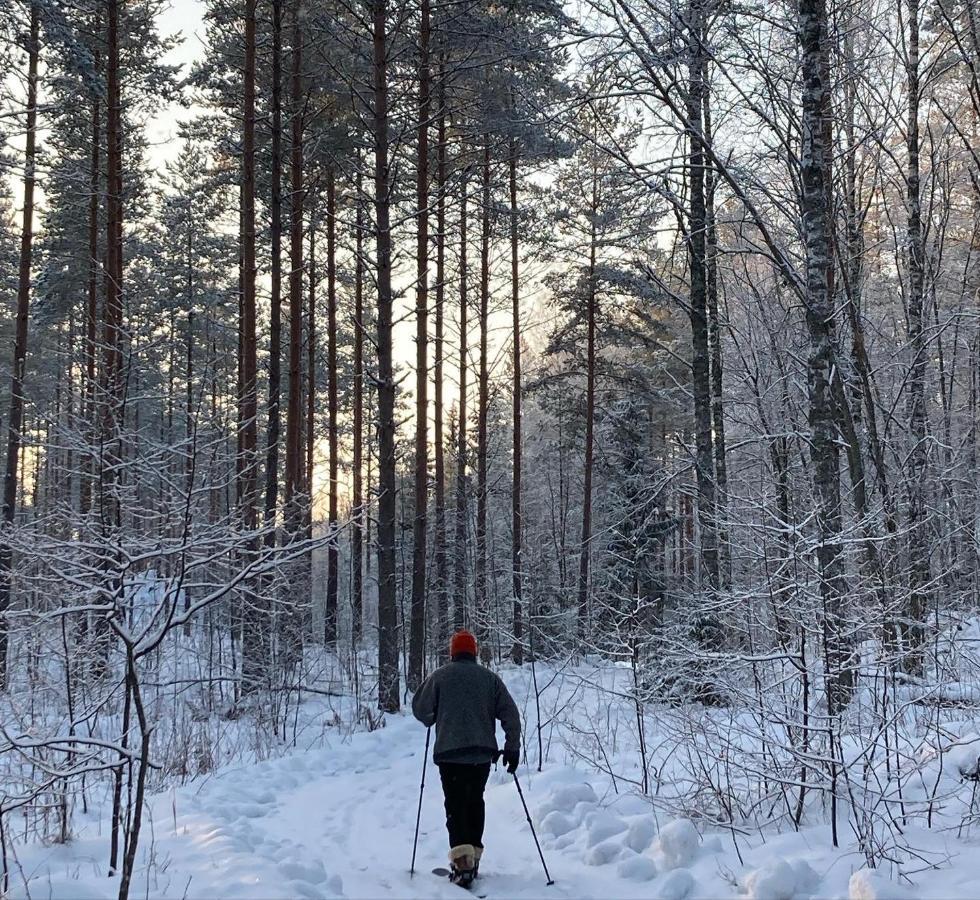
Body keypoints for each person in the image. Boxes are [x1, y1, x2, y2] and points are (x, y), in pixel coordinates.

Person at [412, 629, 521, 887]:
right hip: (482, 754)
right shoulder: (489, 679)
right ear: (474, 652)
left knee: (455, 804)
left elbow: (420, 708)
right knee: (474, 801)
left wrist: (432, 717)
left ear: (452, 652)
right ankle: (473, 856)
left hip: (450, 754)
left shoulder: (440, 676)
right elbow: (511, 715)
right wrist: (512, 747)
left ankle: (463, 864)